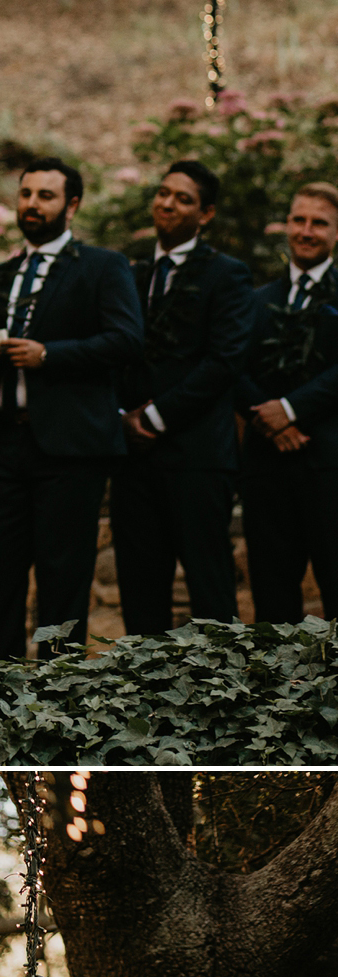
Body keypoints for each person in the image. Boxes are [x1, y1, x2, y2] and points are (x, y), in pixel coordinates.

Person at [0, 154, 143, 655]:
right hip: (0, 446)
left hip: (69, 449)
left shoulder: (102, 267)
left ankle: (59, 703)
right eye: (26, 194)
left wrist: (48, 355)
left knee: (63, 581)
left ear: (71, 205)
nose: (32, 205)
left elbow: (126, 341)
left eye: (46, 196)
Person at [111, 156, 252, 632]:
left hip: (198, 456)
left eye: (183, 198)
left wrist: (155, 418)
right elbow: (116, 354)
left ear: (205, 214)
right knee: (139, 587)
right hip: (134, 459)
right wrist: (121, 417)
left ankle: (223, 697)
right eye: (164, 193)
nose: (168, 203)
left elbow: (224, 362)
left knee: (210, 588)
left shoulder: (227, 275)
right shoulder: (130, 273)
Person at [237, 180, 338, 624]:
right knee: (272, 600)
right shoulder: (256, 301)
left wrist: (292, 409)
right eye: (299, 220)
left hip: (331, 469)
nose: (306, 230)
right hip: (266, 471)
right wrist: (271, 420)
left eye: (320, 223)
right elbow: (232, 367)